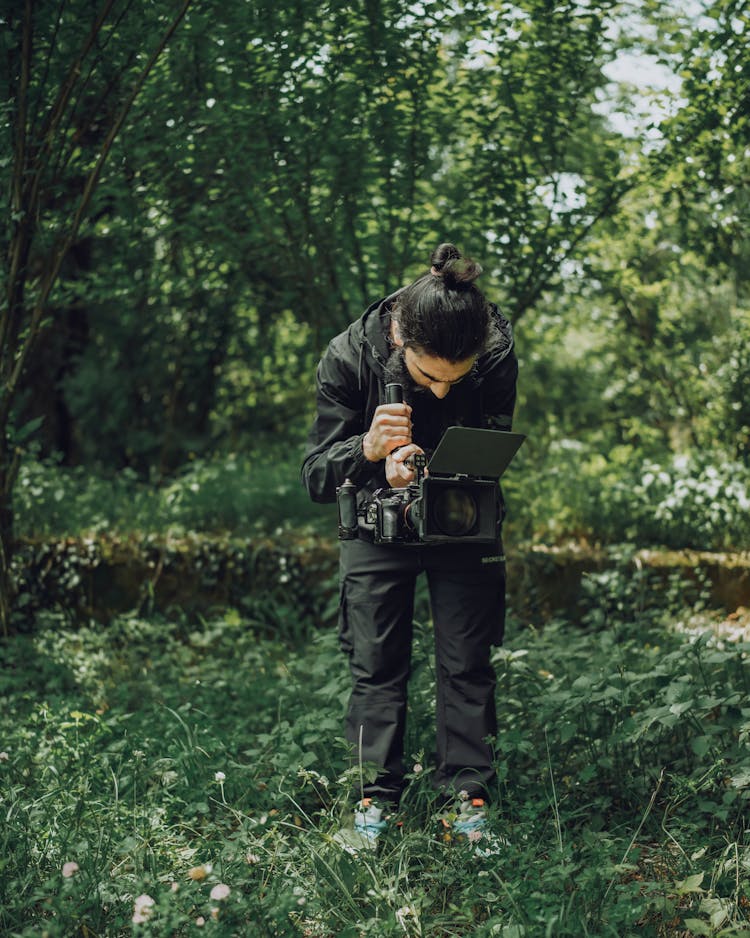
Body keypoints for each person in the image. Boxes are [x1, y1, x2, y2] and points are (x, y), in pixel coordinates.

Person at [301, 242, 518, 848]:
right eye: (429, 378)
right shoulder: (348, 356)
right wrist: (369, 454)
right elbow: (316, 475)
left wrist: (435, 471)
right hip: (377, 529)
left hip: (463, 522)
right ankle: (374, 801)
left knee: (468, 665)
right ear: (399, 334)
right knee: (376, 667)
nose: (443, 392)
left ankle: (467, 803)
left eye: (459, 378)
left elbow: (492, 444)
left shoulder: (495, 354)